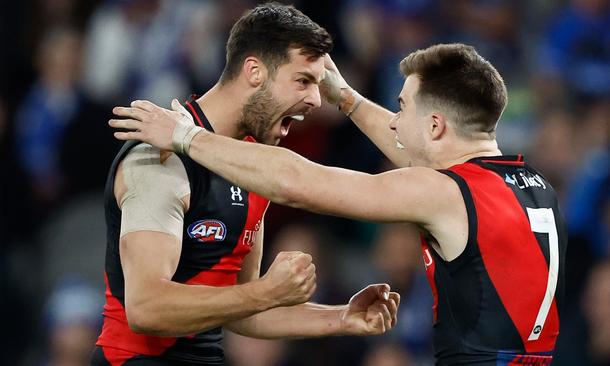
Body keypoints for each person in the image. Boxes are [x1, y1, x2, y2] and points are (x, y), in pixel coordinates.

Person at [111, 43, 568, 365]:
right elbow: (420, 152)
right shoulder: (532, 184)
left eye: (401, 108)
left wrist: (185, 135)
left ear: (433, 126)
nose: (394, 123)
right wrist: (345, 98)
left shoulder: (444, 192)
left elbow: (297, 182)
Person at [94, 4, 400, 366]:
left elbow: (242, 306)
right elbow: (146, 308)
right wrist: (266, 292)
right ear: (254, 71)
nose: (317, 100)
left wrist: (339, 318)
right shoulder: (160, 158)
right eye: (303, 80)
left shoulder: (253, 165)